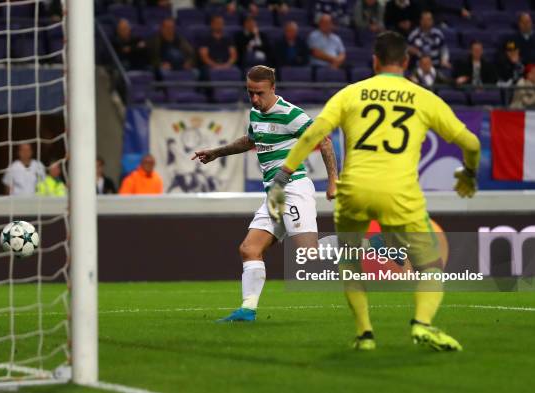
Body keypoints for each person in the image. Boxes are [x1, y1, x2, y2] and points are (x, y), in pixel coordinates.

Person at [267, 32, 480, 351]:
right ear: (406, 62)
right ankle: (422, 324)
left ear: (375, 61)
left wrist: (282, 179)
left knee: (351, 264)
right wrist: (470, 173)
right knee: (430, 266)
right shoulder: (423, 97)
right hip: (399, 193)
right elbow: (472, 143)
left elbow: (313, 135)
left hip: (353, 190)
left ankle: (365, 334)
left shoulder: (350, 94)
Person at [192, 65, 338, 322]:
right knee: (249, 249)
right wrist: (216, 152)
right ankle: (247, 310)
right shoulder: (256, 113)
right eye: (250, 93)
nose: (255, 98)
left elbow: (323, 140)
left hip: (293, 188)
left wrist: (333, 181)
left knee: (310, 257)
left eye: (259, 93)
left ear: (272, 88)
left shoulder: (291, 114)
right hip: (275, 194)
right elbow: (250, 140)